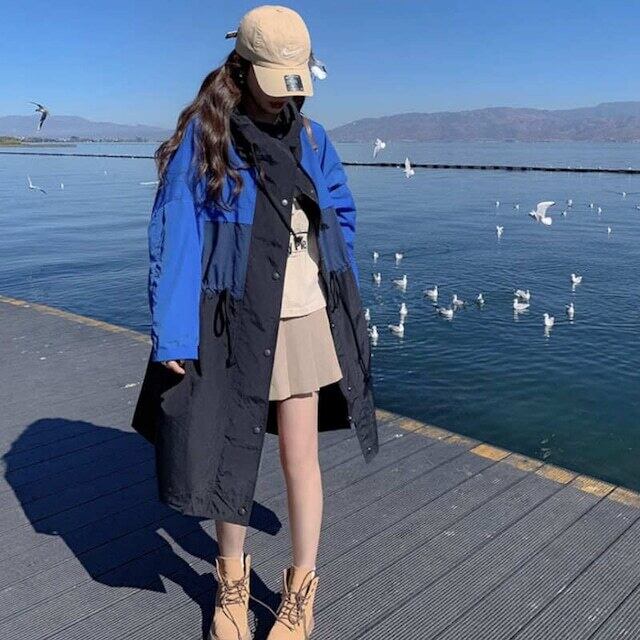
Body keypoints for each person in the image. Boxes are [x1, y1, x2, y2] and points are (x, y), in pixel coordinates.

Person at [131, 5, 378, 639]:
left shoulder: (314, 139)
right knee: (228, 449)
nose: (283, 99)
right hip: (230, 318)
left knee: (301, 458)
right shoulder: (206, 137)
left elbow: (342, 214)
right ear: (241, 68)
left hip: (300, 314)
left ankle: (301, 590)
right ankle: (232, 584)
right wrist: (174, 331)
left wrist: (338, 288)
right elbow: (176, 233)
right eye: (273, 82)